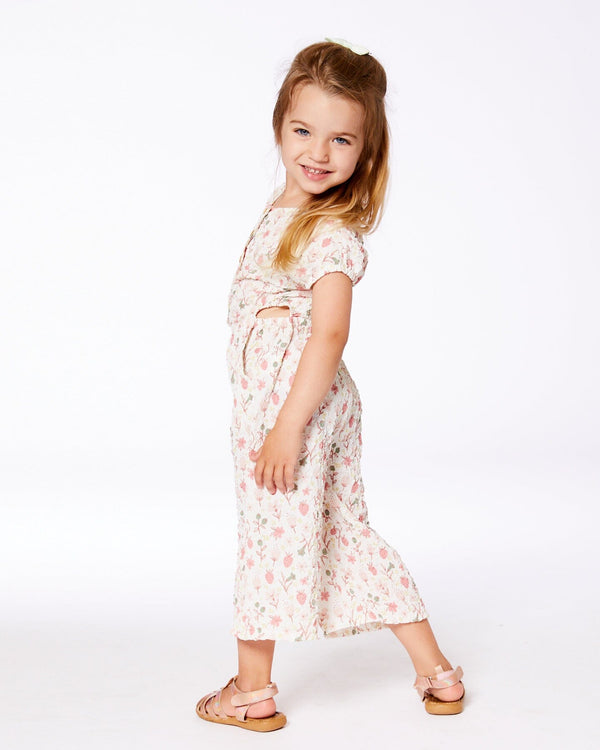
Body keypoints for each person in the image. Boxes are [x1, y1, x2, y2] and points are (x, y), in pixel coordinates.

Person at [196, 38, 465, 732]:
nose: (318, 153)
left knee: (267, 536)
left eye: (341, 139)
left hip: (295, 411)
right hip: (282, 407)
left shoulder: (329, 232)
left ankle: (251, 691)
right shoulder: (285, 211)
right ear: (279, 126)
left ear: (366, 151)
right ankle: (437, 672)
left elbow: (330, 333)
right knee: (345, 534)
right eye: (303, 131)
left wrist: (287, 427)